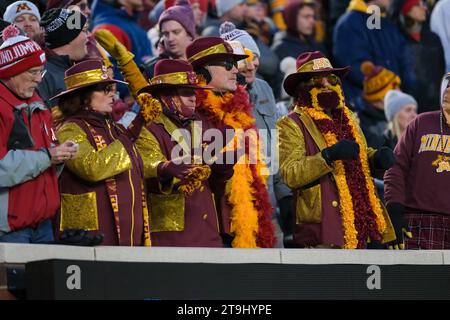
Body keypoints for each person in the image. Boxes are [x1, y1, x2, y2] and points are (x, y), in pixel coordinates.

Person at [276, 51, 396, 249]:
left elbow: (359, 154)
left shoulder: (347, 117)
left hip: (360, 223)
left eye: (332, 78)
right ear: (302, 88)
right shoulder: (290, 123)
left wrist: (375, 160)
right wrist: (328, 156)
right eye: (317, 80)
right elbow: (291, 173)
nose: (326, 84)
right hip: (323, 230)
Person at [53, 59, 156, 246]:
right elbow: (93, 168)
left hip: (128, 236)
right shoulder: (69, 129)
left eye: (112, 88)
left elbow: (140, 164)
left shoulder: (113, 129)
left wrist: (167, 168)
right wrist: (134, 129)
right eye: (104, 89)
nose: (113, 94)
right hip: (91, 237)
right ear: (82, 96)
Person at [186, 36, 276, 248]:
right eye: (228, 64)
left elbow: (263, 168)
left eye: (234, 64)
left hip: (250, 224)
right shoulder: (190, 115)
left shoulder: (240, 109)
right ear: (204, 69)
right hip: (211, 232)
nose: (235, 70)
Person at [133, 59, 227, 247]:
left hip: (207, 231)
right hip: (170, 236)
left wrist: (223, 171)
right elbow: (146, 169)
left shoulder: (201, 124)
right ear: (165, 96)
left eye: (194, 92)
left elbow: (212, 182)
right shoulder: (148, 128)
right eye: (185, 93)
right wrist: (166, 168)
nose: (194, 98)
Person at [0, 25, 78, 243]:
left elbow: (46, 158)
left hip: (43, 224)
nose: (39, 79)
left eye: (40, 72)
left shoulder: (39, 105)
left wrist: (61, 155)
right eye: (33, 72)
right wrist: (48, 156)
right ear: (11, 71)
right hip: (9, 230)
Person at [220, 22, 292, 247]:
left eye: (256, 57)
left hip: (269, 208)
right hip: (236, 214)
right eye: (245, 59)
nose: (253, 65)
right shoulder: (218, 94)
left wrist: (285, 195)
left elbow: (274, 145)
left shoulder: (264, 89)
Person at [383, 75, 450, 249]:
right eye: (447, 85)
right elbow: (395, 168)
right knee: (416, 277)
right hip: (418, 221)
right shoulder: (421, 123)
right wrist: (394, 209)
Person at [333, 0, 416, 109]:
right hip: (365, 112)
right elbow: (357, 67)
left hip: (393, 107)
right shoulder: (349, 23)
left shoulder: (388, 25)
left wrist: (407, 94)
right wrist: (390, 91)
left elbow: (405, 64)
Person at [390, 0, 445, 113]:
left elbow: (441, 69)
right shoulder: (396, 41)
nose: (424, 8)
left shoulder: (433, 39)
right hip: (410, 108)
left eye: (423, 4)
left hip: (436, 105)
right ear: (405, 11)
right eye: (417, 5)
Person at [37, 8, 89, 106]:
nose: (87, 37)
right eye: (84, 31)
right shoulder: (43, 76)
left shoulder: (72, 67)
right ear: (69, 37)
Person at [143, 0, 196, 79]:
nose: (170, 39)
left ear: (189, 34)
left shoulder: (204, 64)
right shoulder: (151, 70)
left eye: (176, 32)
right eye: (165, 34)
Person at [357, 61, 401, 149]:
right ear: (382, 98)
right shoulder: (367, 128)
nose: (401, 93)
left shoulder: (397, 114)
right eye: (395, 89)